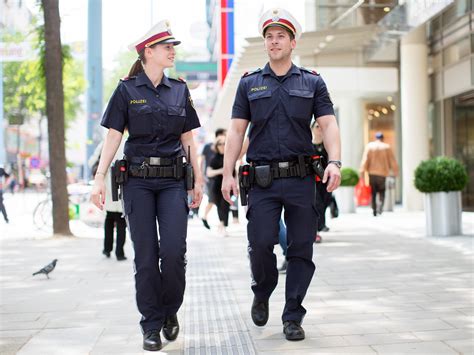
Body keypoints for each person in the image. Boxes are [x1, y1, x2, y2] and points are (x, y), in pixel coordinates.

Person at [221, 8, 341, 341]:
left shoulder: (312, 82)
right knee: (260, 244)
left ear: (292, 42)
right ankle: (262, 290)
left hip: (302, 178)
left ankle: (293, 315)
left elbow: (328, 123)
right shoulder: (249, 84)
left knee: (301, 247)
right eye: (269, 37)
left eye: (280, 37)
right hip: (262, 180)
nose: (274, 42)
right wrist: (228, 172)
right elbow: (235, 131)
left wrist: (335, 161)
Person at [90, 20, 203, 352]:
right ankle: (151, 324)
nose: (172, 51)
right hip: (138, 182)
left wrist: (196, 181)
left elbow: (189, 142)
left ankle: (171, 312)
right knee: (145, 256)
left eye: (173, 46)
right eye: (166, 46)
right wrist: (98, 179)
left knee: (173, 252)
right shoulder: (126, 90)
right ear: (147, 52)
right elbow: (113, 137)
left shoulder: (180, 89)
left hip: (171, 181)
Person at [359, 131, 398, 216]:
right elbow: (392, 161)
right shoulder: (386, 147)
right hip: (382, 173)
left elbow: (365, 159)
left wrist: (362, 171)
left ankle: (374, 209)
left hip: (372, 173)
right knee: (382, 191)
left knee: (373, 192)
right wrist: (395, 171)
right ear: (382, 138)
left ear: (375, 138)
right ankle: (380, 207)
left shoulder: (369, 146)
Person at [199, 128, 226, 229]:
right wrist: (200, 175)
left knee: (213, 199)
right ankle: (218, 222)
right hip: (210, 177)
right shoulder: (208, 147)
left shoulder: (223, 147)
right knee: (214, 199)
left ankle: (205, 217)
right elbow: (201, 161)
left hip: (218, 177)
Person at [312, 121, 333, 243]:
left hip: (325, 182)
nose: (319, 129)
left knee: (323, 204)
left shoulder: (328, 146)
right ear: (312, 128)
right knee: (316, 204)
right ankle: (315, 232)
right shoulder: (308, 146)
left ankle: (320, 226)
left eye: (321, 126)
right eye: (317, 126)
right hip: (312, 182)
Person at [206, 136, 230, 236]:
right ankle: (222, 226)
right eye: (220, 144)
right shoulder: (214, 158)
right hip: (216, 186)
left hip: (228, 186)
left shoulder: (229, 157)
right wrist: (220, 171)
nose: (222, 146)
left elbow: (235, 171)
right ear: (216, 146)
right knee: (220, 206)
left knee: (226, 205)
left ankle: (222, 226)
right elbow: (208, 173)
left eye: (224, 143)